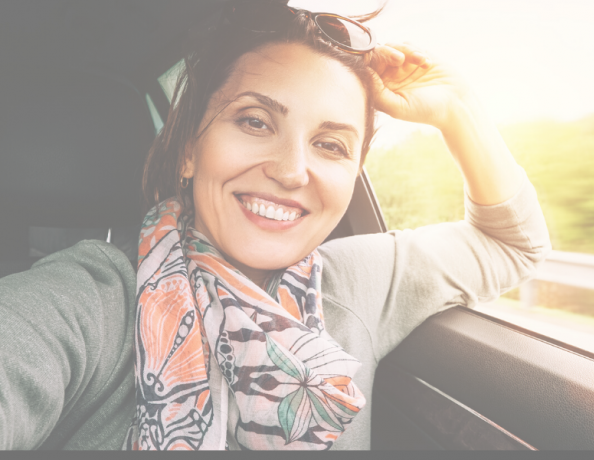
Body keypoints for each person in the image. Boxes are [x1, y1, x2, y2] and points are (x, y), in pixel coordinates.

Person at [0, 0, 551, 451]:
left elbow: (513, 244)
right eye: (255, 121)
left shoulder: (355, 284)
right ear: (191, 150)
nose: (291, 171)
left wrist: (459, 110)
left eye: (330, 145)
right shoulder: (93, 300)